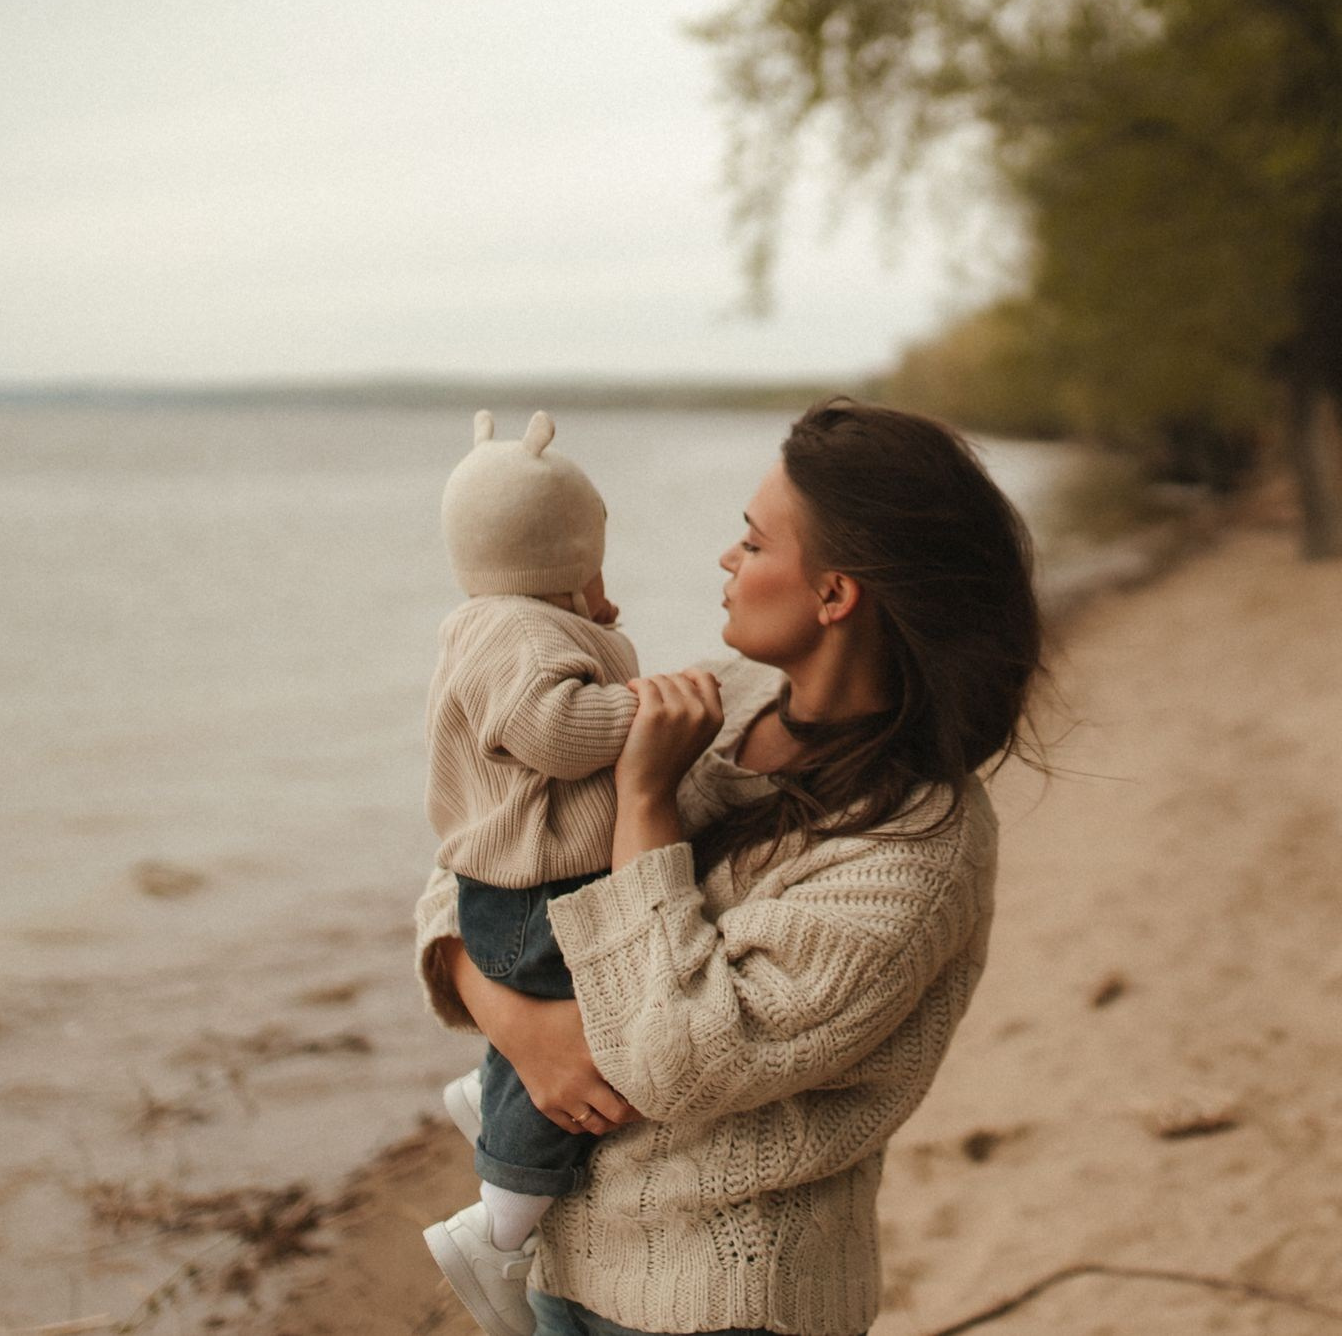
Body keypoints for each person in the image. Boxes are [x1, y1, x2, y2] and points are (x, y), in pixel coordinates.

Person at [411, 398, 1042, 1336]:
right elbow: (478, 860)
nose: (726, 560)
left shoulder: (918, 845)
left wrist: (647, 806)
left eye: (753, 542)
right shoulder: (722, 700)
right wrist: (522, 1028)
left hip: (726, 1300)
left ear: (835, 594)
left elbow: (677, 1060)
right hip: (563, 1265)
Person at [419, 409, 643, 1324]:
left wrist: (588, 629)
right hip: (536, 893)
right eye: (593, 562)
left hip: (510, 891)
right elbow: (554, 731)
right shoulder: (519, 634)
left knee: (554, 1016)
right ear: (560, 555)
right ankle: (497, 1227)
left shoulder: (509, 623)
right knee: (580, 1021)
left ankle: (488, 1089)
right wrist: (640, 710)